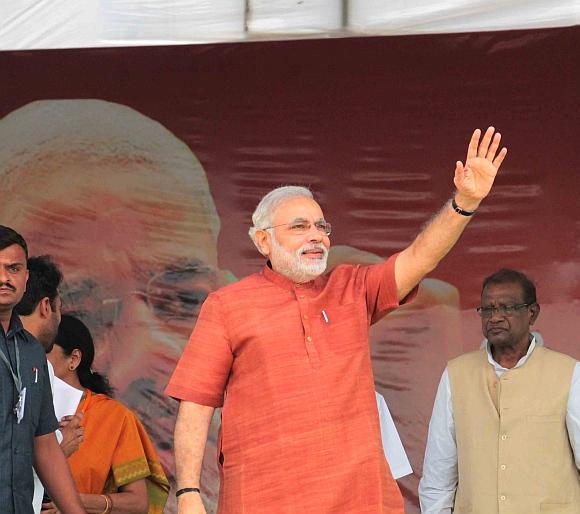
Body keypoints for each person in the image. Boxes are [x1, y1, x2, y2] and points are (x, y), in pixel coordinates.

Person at [166, 127, 507, 513]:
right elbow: (196, 404)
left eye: (321, 226)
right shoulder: (227, 305)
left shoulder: (351, 288)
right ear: (262, 240)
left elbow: (419, 259)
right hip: (264, 497)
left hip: (358, 497)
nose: (316, 236)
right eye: (299, 227)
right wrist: (188, 493)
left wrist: (463, 203)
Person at [419, 269, 580, 513]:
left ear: (532, 313)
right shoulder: (456, 375)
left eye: (507, 307)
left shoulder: (569, 373)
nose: (495, 317)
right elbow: (437, 478)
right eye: (488, 309)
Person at [45, 313, 170, 514]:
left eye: (44, 351)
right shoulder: (19, 409)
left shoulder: (113, 417)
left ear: (74, 359)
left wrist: (75, 502)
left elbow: (138, 503)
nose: (32, 358)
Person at [0, 225, 86, 514]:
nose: (4, 278)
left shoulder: (33, 352)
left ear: (25, 278)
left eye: (13, 269)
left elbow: (45, 444)